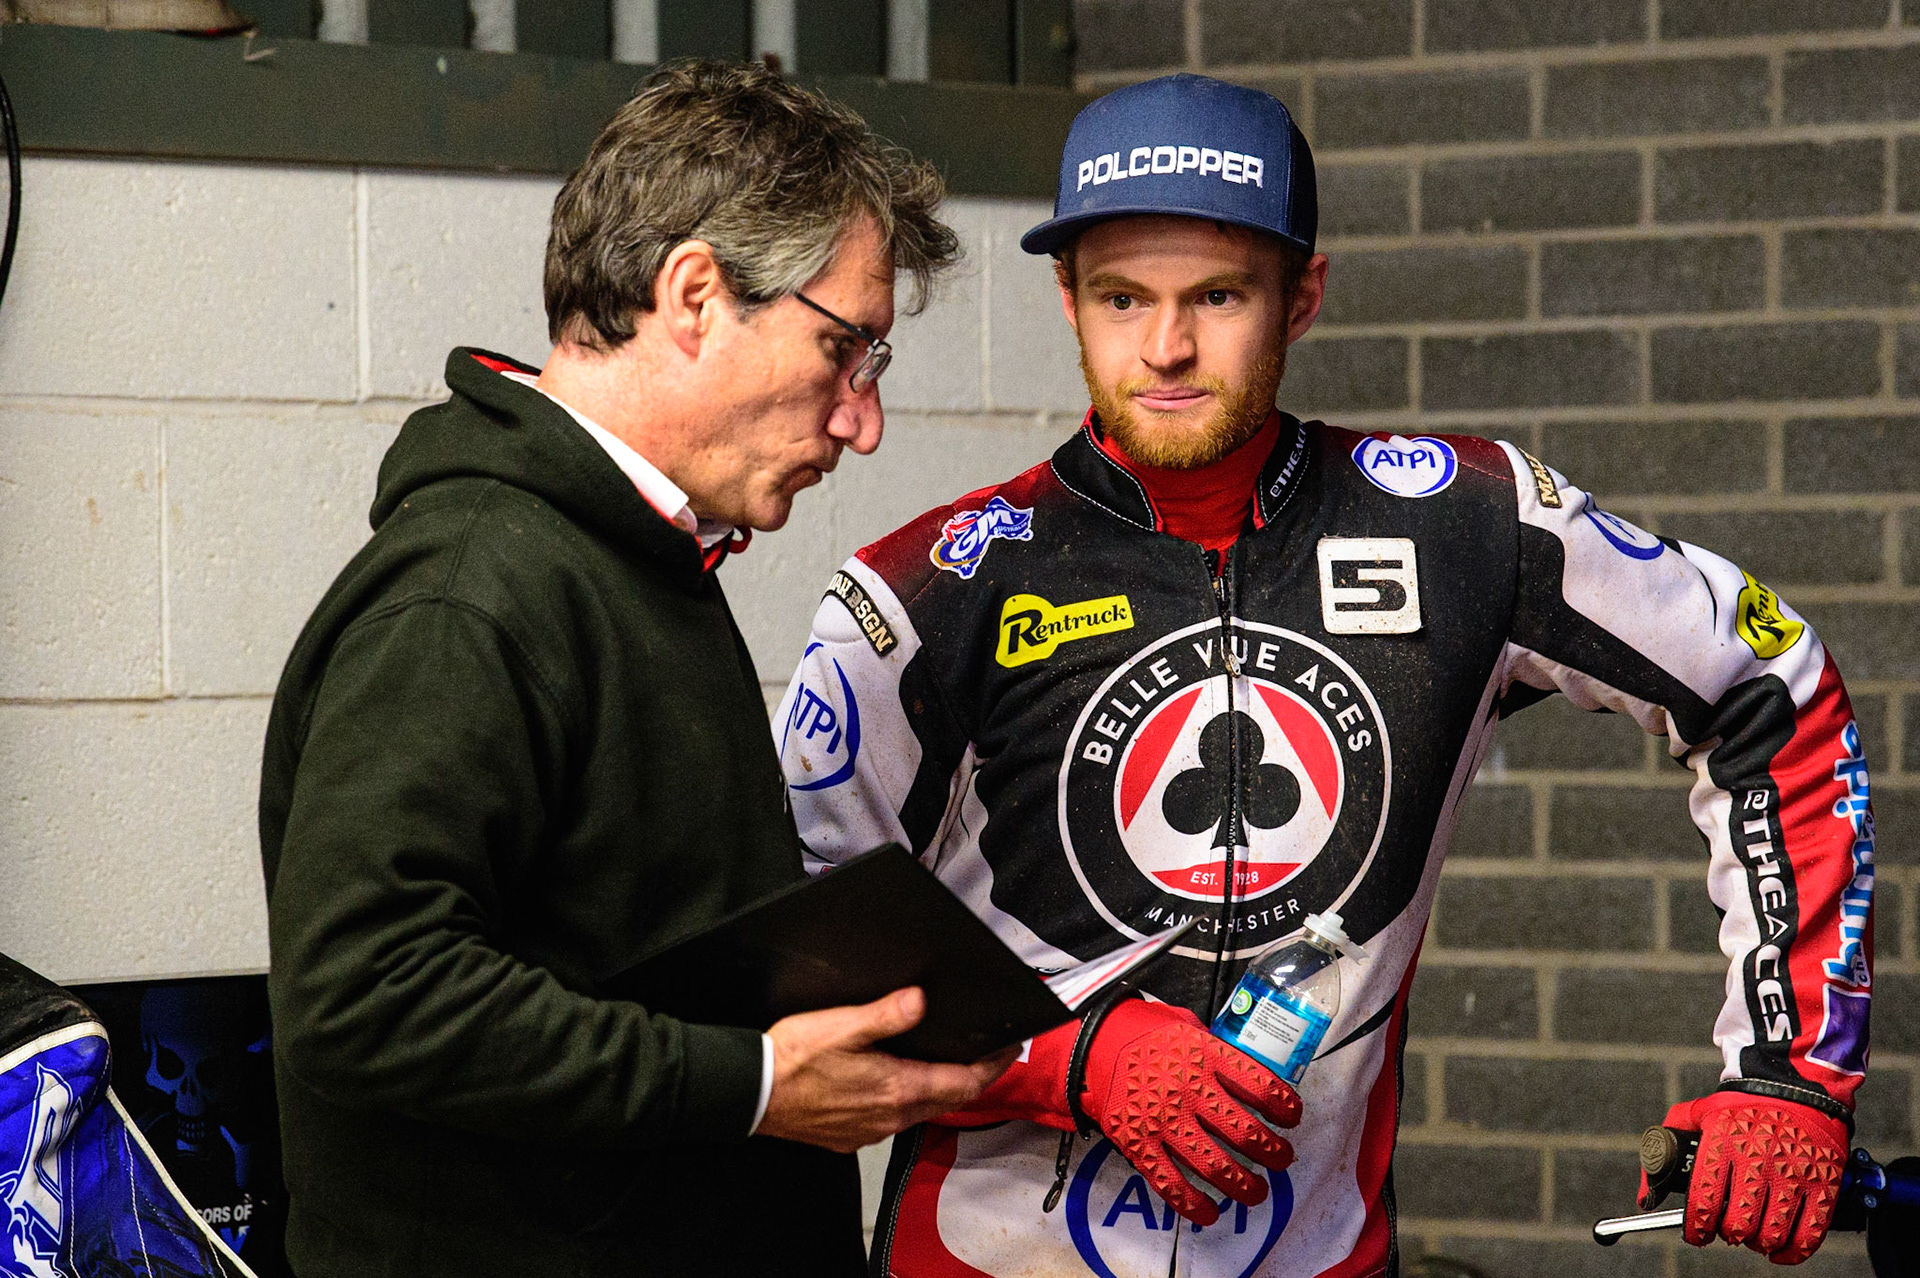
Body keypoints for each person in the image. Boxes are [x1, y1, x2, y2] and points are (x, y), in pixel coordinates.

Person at [777, 73, 1874, 1275]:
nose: (1167, 347)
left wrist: (1791, 1069)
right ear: (1066, 298)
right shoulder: (926, 590)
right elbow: (799, 949)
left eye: (1218, 295)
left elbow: (1771, 682)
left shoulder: (1466, 524)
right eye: (1121, 297)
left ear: (1304, 295)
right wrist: (1072, 1061)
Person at [257, 62, 1009, 1278]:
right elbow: (364, 993)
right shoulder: (469, 593)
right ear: (696, 294)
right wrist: (753, 1083)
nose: (863, 420)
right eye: (846, 351)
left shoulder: (640, 562)